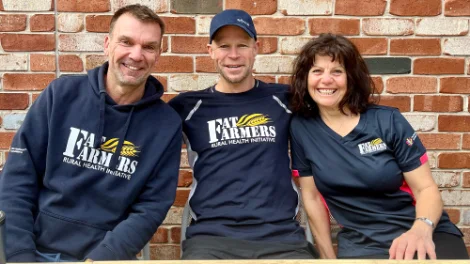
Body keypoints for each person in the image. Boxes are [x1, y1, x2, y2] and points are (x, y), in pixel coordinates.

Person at [0, 4, 182, 262]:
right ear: (107, 44)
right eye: (126, 42)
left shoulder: (166, 124)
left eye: (149, 46)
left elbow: (151, 207)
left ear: (158, 54)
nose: (136, 55)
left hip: (104, 256)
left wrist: (104, 258)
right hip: (34, 250)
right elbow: (17, 179)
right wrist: (19, 254)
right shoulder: (60, 95)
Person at [289, 33, 468, 260]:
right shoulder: (302, 128)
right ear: (305, 79)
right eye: (317, 71)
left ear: (351, 78)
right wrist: (327, 257)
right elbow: (312, 197)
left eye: (337, 71)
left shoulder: (387, 121)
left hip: (422, 230)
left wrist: (421, 229)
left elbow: (426, 189)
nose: (326, 80)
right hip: (362, 243)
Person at [169, 9, 317, 260]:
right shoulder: (188, 107)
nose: (234, 55)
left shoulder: (285, 99)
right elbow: (142, 129)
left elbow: (335, 106)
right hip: (210, 238)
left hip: (281, 237)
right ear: (210, 51)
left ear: (256, 48)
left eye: (242, 45)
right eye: (224, 46)